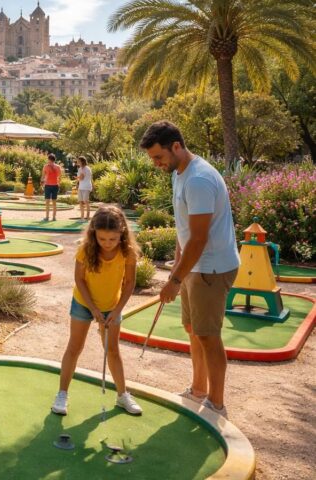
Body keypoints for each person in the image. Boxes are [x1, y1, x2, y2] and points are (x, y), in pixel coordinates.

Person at [140, 121, 239, 417]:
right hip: (195, 265)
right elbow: (184, 230)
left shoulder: (198, 180)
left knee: (208, 335)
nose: (157, 164)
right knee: (193, 329)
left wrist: (175, 281)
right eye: (153, 159)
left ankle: (216, 405)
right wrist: (176, 269)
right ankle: (198, 390)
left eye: (159, 157)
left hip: (211, 267)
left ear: (176, 146)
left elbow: (199, 238)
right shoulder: (179, 173)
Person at [51, 206, 143, 416]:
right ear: (94, 233)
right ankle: (62, 394)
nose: (107, 243)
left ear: (122, 233)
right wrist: (93, 308)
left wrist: (117, 310)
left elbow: (130, 283)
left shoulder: (127, 252)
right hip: (84, 303)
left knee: (113, 351)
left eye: (112, 239)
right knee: (75, 347)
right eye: (102, 239)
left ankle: (122, 395)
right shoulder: (86, 249)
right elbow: (79, 279)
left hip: (112, 306)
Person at [42, 153, 62, 222]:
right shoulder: (46, 166)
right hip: (47, 185)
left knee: (53, 202)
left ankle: (53, 217)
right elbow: (43, 175)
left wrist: (59, 184)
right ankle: (47, 217)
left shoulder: (57, 167)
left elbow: (59, 177)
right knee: (48, 202)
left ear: (50, 159)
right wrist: (42, 182)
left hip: (54, 185)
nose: (48, 161)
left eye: (49, 159)